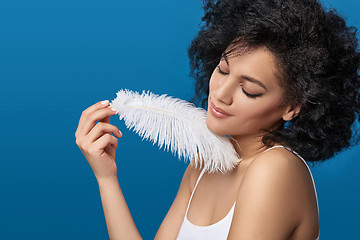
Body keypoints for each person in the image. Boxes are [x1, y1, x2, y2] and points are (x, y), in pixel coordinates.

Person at [75, 0, 360, 239]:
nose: (220, 94)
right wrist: (106, 177)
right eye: (223, 70)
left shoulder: (276, 169)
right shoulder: (202, 166)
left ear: (292, 107)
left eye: (249, 90)